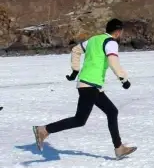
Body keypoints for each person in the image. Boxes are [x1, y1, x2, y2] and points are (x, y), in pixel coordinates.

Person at [32, 19, 137, 160]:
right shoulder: (111, 42)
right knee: (79, 120)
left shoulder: (94, 40)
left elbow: (75, 50)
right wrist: (123, 79)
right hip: (90, 85)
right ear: (118, 31)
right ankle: (43, 130)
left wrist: (75, 70)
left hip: (91, 85)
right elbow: (113, 62)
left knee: (112, 111)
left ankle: (119, 148)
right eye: (121, 31)